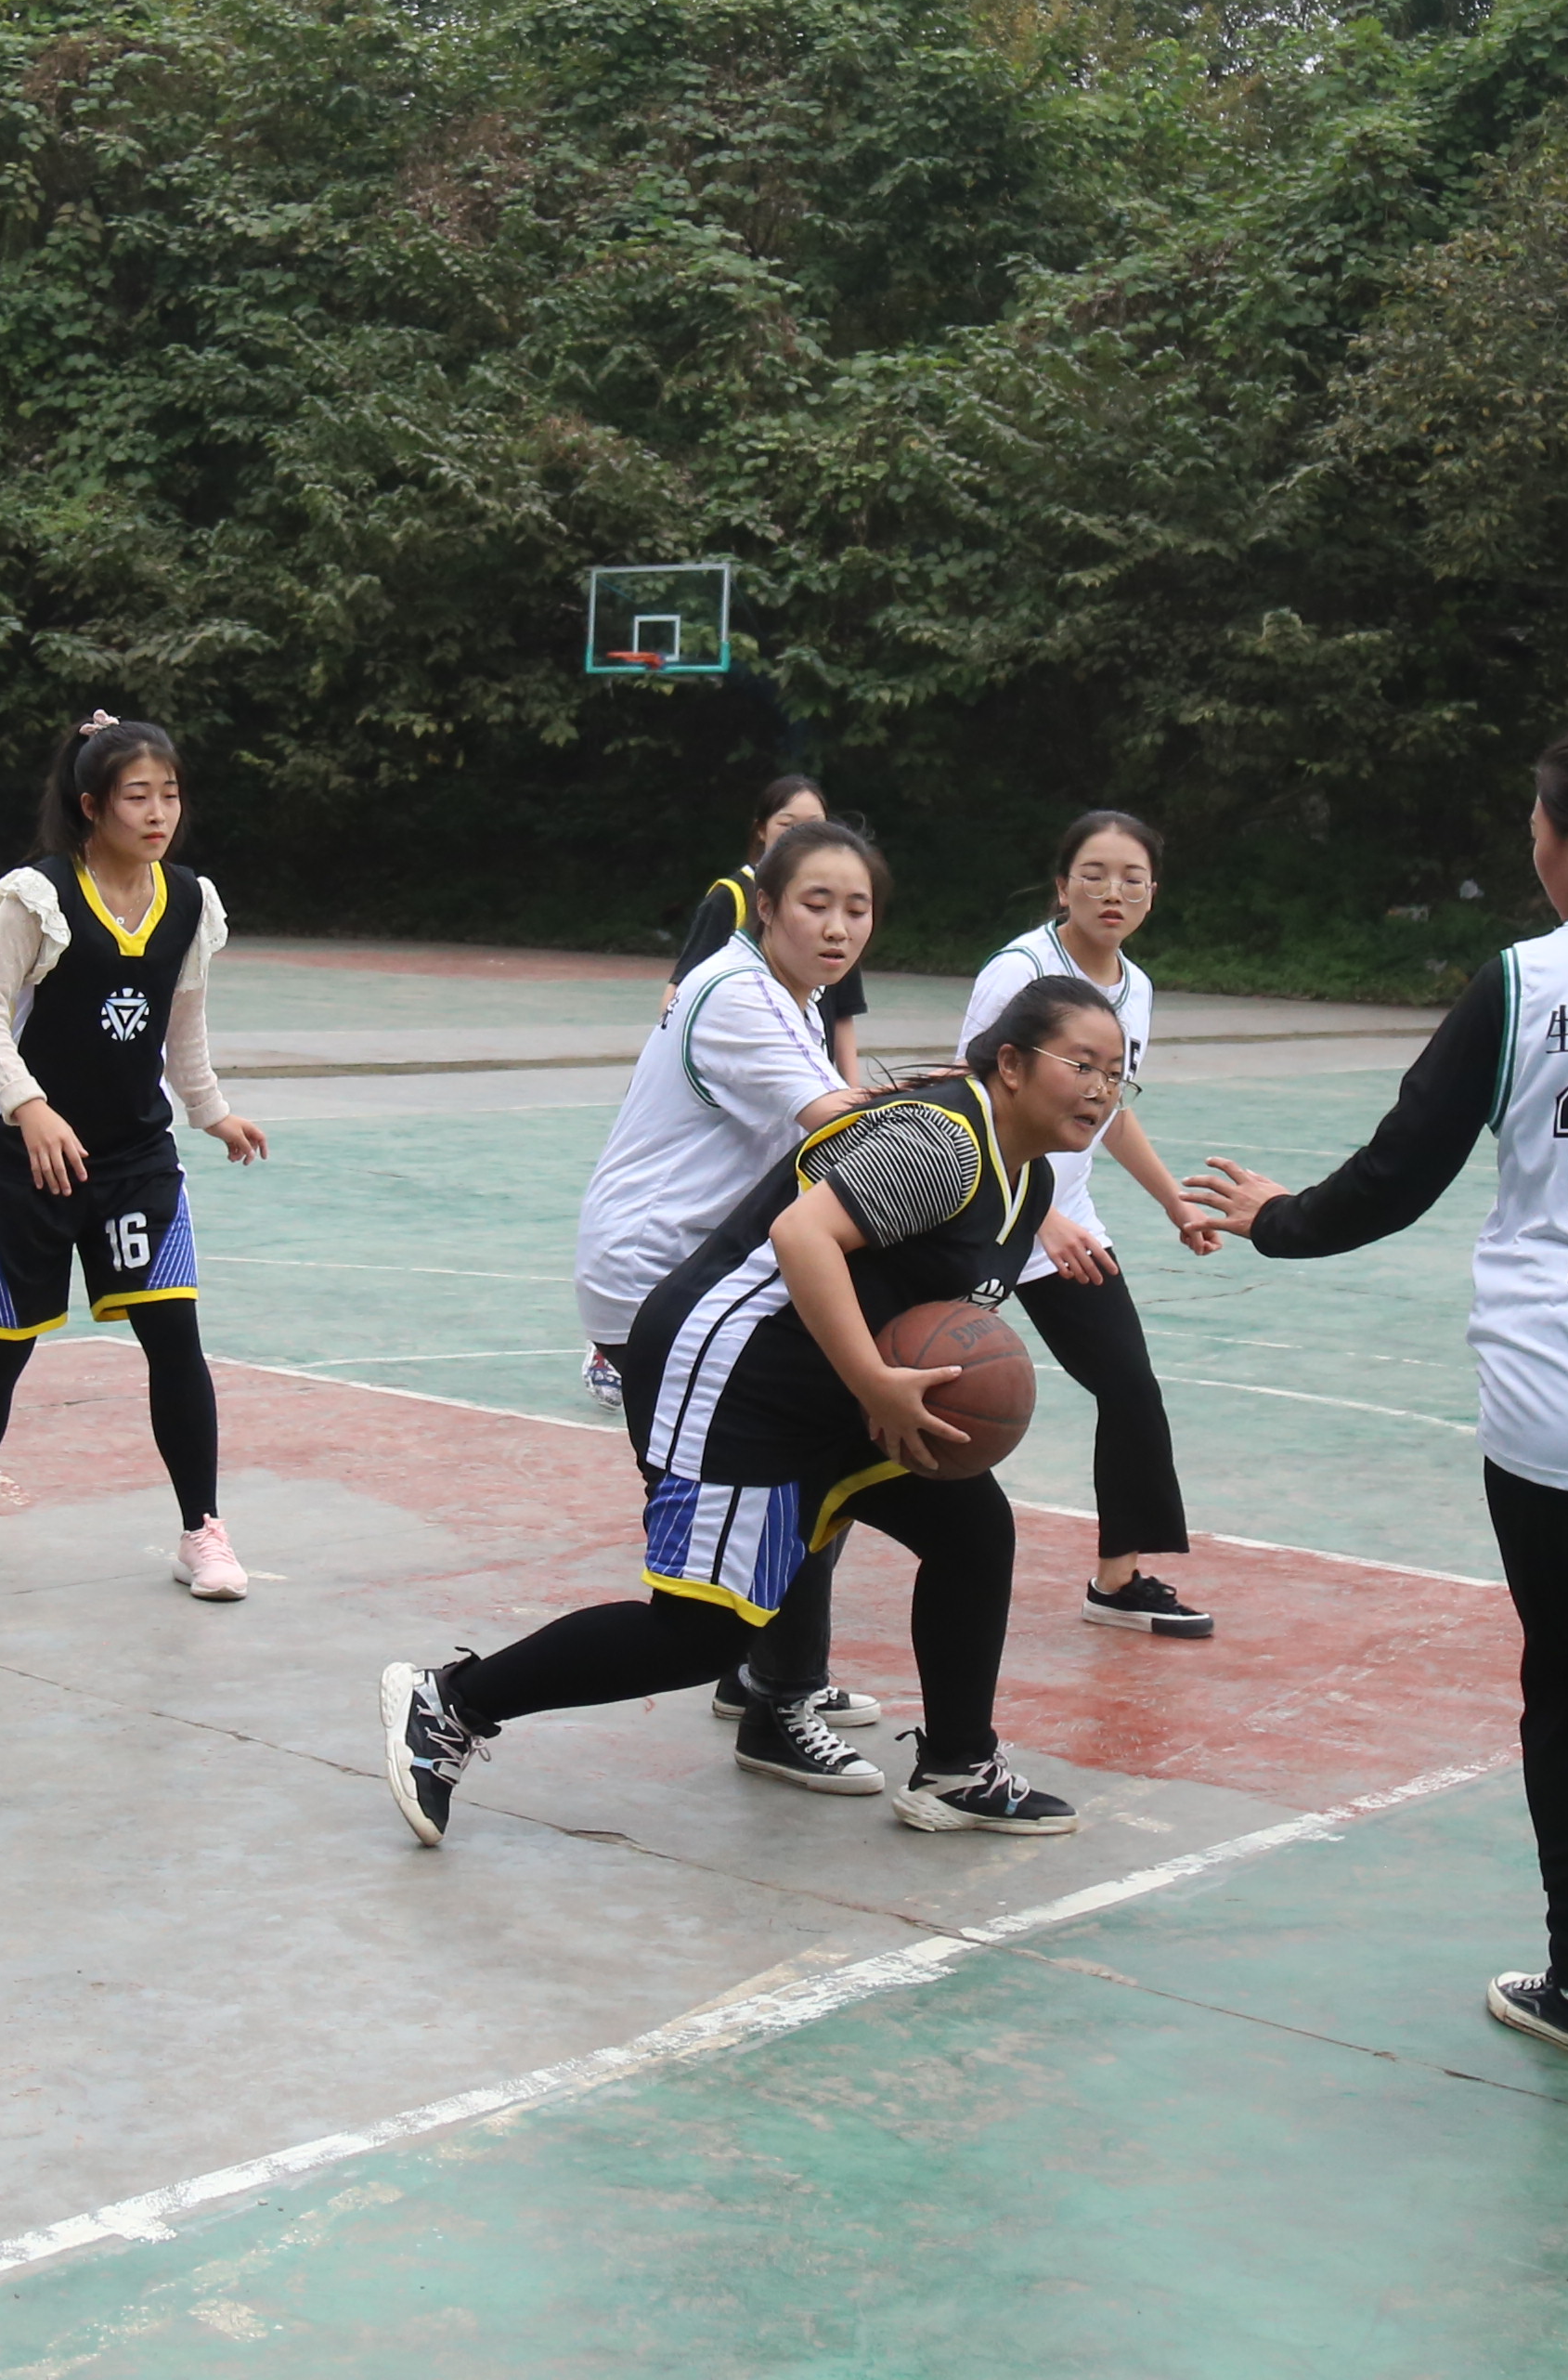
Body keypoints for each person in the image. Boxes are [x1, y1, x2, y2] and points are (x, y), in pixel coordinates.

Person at [1183, 708, 1568, 2150]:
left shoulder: (1527, 982)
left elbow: (1398, 1173)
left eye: (1535, 827)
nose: (1530, 848)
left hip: (1559, 1413)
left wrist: (1277, 1219)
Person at [381, 980, 1130, 1851]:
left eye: (1117, 1074)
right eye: (1082, 1064)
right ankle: (453, 1702)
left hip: (830, 1384)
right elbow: (801, 1237)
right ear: (1011, 1064)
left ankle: (958, 1769)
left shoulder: (1025, 1183)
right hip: (735, 1369)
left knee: (972, 1530)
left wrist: (896, 1383)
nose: (1101, 1089)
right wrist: (874, 1379)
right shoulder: (943, 1144)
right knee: (702, 1634)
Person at [0, 712, 269, 1593]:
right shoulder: (37, 894)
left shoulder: (190, 900)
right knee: (1, 1349)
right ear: (92, 804)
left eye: (170, 794)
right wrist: (28, 1107)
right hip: (36, 1161)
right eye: (138, 796)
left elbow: (182, 1021)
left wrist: (211, 1110)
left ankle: (203, 1531)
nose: (159, 812)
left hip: (137, 1160)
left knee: (174, 1338)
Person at [566, 814, 887, 1779]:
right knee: (781, 1486)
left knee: (806, 1470)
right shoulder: (741, 995)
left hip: (691, 1273)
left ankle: (766, 1679)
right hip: (662, 1278)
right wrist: (972, 1116)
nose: (838, 926)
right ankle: (768, 1692)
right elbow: (838, 1124)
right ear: (768, 907)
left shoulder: (787, 997)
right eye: (816, 903)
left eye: (858, 908)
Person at [955, 810, 1212, 1637]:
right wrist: (1040, 1213)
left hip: (1067, 1222)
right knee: (904, 1379)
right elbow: (969, 1095)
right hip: (981, 1208)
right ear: (1062, 885)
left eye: (1132, 878)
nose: (1113, 891)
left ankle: (1117, 1579)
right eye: (1094, 874)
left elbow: (1112, 1111)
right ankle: (795, 1581)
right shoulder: (1022, 971)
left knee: (1129, 1385)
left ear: (1152, 894)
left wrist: (1173, 1201)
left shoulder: (1137, 988)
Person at [671, 774, 871, 1083]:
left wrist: (852, 1092)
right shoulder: (731, 898)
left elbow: (843, 1012)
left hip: (812, 1076)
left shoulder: (838, 919)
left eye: (814, 826)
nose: (836, 929)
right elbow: (680, 991)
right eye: (788, 825)